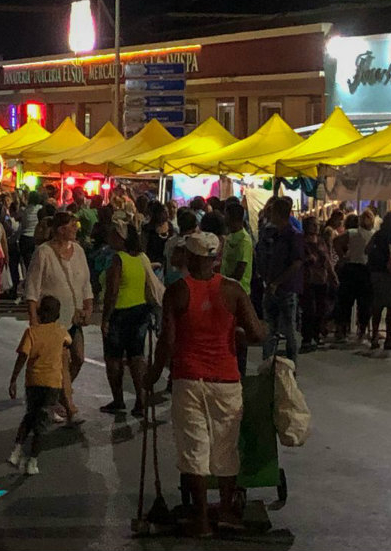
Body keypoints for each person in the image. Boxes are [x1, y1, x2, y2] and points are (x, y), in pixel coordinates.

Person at [144, 232, 266, 537]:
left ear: (190, 257)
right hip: (225, 379)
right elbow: (257, 334)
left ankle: (201, 520)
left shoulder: (176, 291)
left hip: (188, 378)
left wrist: (152, 375)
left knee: (194, 449)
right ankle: (225, 512)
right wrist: (244, 332)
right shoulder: (233, 291)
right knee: (225, 447)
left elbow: (168, 342)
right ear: (214, 258)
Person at [23, 211, 93, 426]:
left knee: (78, 358)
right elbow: (32, 288)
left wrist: (88, 307)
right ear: (61, 229)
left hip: (73, 319)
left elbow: (86, 283)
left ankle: (53, 397)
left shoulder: (78, 251)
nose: (76, 229)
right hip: (53, 322)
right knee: (60, 364)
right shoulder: (43, 253)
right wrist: (34, 319)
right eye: (73, 226)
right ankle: (70, 408)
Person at [8, 295, 71, 475]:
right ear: (58, 314)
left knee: (30, 415)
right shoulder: (61, 331)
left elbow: (22, 356)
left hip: (34, 382)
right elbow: (68, 342)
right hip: (52, 384)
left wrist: (13, 379)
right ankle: (32, 461)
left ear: (40, 313)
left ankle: (17, 450)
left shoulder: (31, 332)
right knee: (41, 423)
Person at [99, 217, 151, 417]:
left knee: (113, 358)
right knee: (136, 357)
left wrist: (105, 318)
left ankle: (118, 399)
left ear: (121, 238)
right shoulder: (140, 257)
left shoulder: (118, 259)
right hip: (140, 310)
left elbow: (112, 291)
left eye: (113, 234)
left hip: (120, 312)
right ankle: (141, 399)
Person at [255, 197, 304, 362]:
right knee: (269, 327)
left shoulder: (293, 235)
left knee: (289, 328)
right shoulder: (273, 234)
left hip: (286, 288)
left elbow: (296, 263)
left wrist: (277, 282)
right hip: (271, 285)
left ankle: (292, 363)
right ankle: (267, 363)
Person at [366, 211, 391, 355]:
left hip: (376, 272)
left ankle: (375, 336)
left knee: (377, 305)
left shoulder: (377, 235)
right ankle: (388, 338)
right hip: (390, 274)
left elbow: (367, 249)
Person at [335, 211, 375, 343]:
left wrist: (343, 256)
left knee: (347, 301)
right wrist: (343, 257)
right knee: (362, 302)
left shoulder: (352, 233)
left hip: (352, 268)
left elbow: (336, 242)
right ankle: (360, 330)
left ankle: (343, 329)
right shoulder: (372, 234)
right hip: (363, 269)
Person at [299, 216, 336, 354]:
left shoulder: (321, 241)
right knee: (309, 310)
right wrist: (307, 259)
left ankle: (317, 334)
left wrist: (333, 275)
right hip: (307, 279)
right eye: (313, 225)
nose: (316, 227)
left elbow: (327, 260)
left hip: (321, 278)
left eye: (317, 224)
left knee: (321, 308)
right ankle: (307, 338)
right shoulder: (302, 241)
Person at [220, 203, 253, 292]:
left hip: (238, 290)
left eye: (226, 216)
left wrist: (225, 284)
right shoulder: (230, 236)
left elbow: (240, 270)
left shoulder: (244, 240)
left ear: (231, 218)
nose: (224, 218)